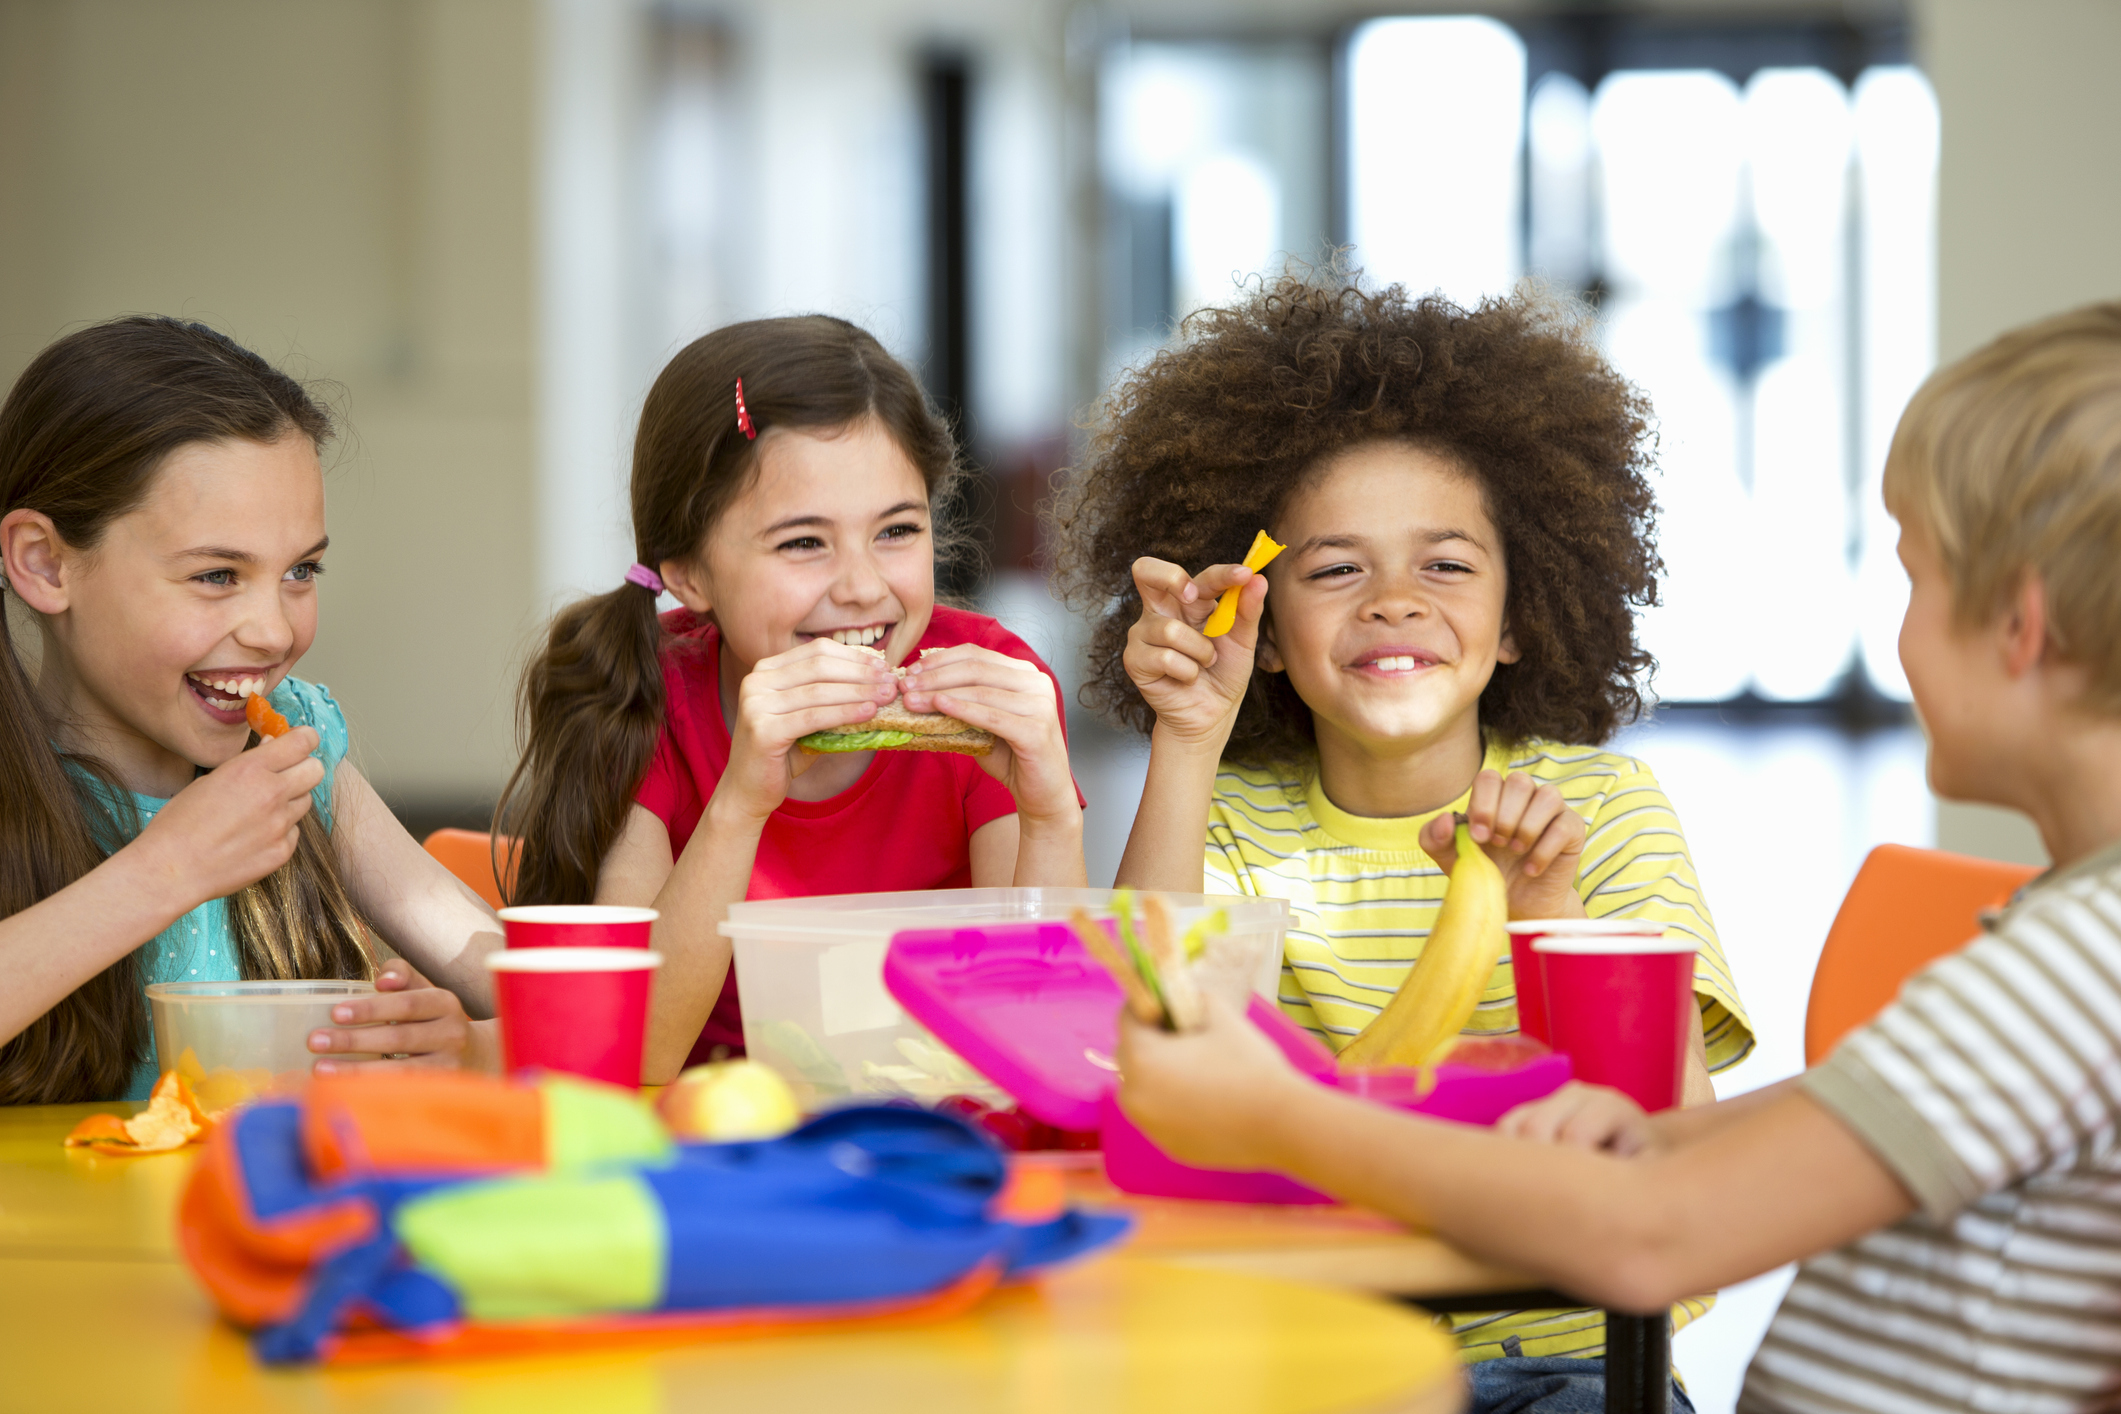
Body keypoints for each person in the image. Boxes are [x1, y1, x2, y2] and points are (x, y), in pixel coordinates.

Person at [1116, 303, 2121, 1414]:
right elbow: (1796, 1127)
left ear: (2022, 627)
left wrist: (1277, 1112)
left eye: (1915, 579)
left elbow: (1654, 1241)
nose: (1900, 630)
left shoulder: (2085, 958)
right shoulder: (2070, 937)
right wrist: (1664, 1128)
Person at [1053, 274, 1750, 1395]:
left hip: (1558, 1358)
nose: (1393, 600)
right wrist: (1188, 740)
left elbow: (1676, 1133)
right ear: (1264, 630)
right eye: (1335, 569)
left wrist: (1548, 911)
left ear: (1523, 615)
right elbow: (1141, 1052)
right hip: (1309, 1350)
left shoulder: (1606, 811)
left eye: (1447, 564)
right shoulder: (1225, 815)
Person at [500, 316, 1083, 1085]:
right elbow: (636, 1057)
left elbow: (1044, 1042)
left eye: (897, 531)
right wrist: (740, 801)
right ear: (689, 576)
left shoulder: (991, 687)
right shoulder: (649, 697)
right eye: (803, 543)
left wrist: (1049, 815)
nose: (863, 587)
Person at [0, 317, 503, 1104]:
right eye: (215, 576)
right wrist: (164, 870)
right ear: (45, 563)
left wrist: (474, 1046)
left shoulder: (299, 749)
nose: (274, 631)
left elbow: (518, 985)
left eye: (301, 570)